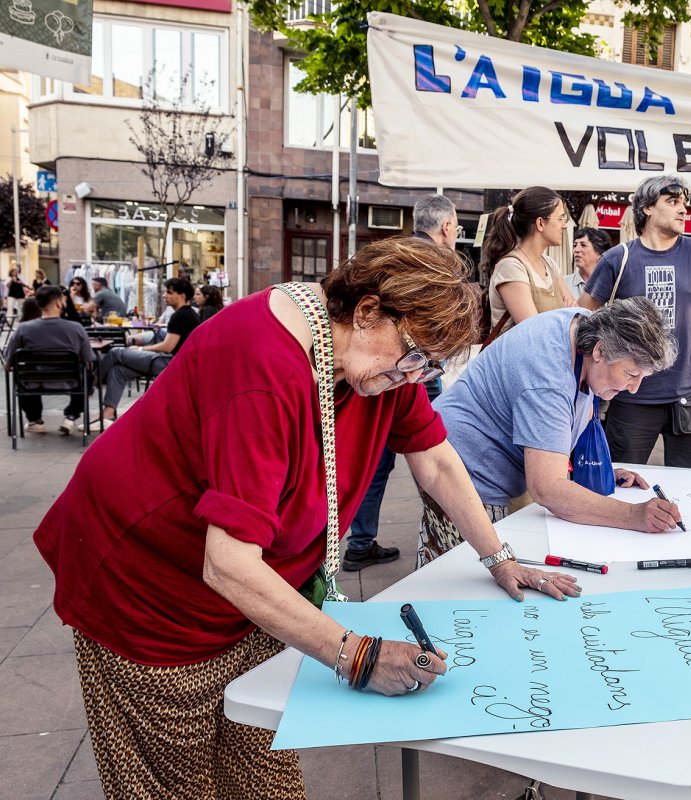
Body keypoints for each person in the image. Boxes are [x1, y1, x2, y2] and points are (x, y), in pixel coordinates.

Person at [33, 237, 578, 799]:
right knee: (178, 780)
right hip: (150, 589)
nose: (415, 378)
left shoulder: (379, 363)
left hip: (260, 592)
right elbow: (227, 564)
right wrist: (357, 655)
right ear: (367, 310)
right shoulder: (263, 363)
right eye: (414, 358)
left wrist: (498, 556)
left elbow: (436, 460)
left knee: (263, 766)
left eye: (430, 368)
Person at [422, 299, 681, 563]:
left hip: (480, 453)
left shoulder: (585, 325)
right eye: (631, 373)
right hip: (466, 467)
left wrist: (595, 469)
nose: (634, 388)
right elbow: (547, 488)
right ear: (600, 351)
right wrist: (633, 515)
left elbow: (554, 437)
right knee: (467, 574)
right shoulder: (549, 380)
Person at [580, 175, 691, 468]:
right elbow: (580, 318)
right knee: (621, 484)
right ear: (647, 209)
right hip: (630, 396)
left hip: (687, 395)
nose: (683, 209)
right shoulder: (619, 258)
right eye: (672, 202)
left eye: (684, 203)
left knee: (687, 487)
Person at [343, 193, 460, 572]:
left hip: (397, 371)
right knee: (420, 459)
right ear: (446, 226)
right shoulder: (436, 265)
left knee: (384, 462)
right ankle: (435, 539)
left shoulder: (399, 250)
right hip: (407, 375)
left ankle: (357, 539)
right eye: (456, 227)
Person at [91, 277, 201, 425]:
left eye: (168, 292)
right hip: (173, 362)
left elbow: (168, 346)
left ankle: (90, 382)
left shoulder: (180, 316)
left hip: (169, 363)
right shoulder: (188, 314)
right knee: (118, 370)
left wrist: (141, 348)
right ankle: (107, 414)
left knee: (115, 352)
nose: (164, 295)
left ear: (181, 296)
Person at [3, 285, 94, 434]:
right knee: (88, 376)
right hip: (70, 382)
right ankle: (71, 416)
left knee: (20, 376)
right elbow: (88, 360)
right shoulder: (77, 328)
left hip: (32, 383)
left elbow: (8, 363)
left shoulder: (23, 329)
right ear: (58, 303)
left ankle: (34, 420)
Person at [484, 186, 574, 334]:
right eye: (561, 218)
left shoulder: (550, 264)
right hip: (514, 356)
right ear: (540, 223)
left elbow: (573, 314)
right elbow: (534, 332)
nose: (564, 225)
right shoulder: (511, 267)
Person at [567, 227, 611, 300]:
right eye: (575, 245)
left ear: (600, 254)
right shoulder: (564, 284)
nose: (576, 250)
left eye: (583, 245)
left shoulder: (610, 286)